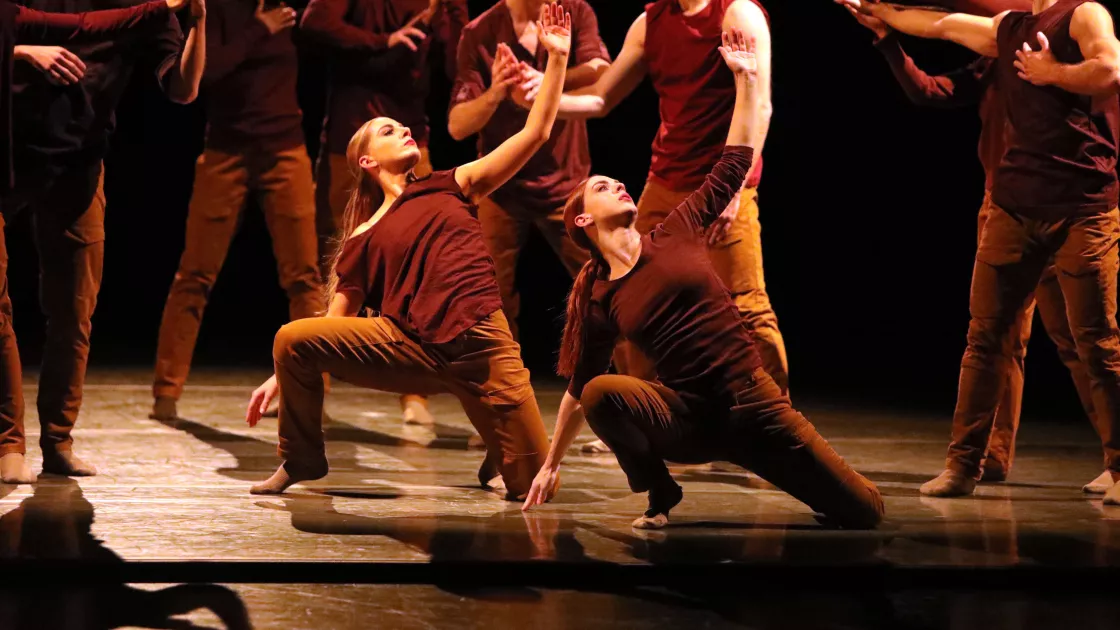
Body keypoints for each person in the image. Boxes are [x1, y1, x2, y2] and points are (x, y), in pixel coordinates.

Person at [521, 29, 885, 531]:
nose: (620, 185)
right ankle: (660, 490)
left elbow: (732, 163)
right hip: (688, 418)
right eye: (604, 187)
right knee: (602, 392)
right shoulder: (602, 294)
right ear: (583, 221)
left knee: (864, 512)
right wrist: (551, 463)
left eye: (617, 181)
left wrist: (745, 81)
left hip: (753, 403)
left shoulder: (675, 231)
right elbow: (579, 387)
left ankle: (782, 466)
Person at [244, 2, 572, 499]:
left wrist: (558, 60)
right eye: (387, 130)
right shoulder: (362, 235)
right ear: (367, 161)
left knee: (529, 486)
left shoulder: (454, 182)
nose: (402, 128)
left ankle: (498, 450)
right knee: (293, 337)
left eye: (403, 126)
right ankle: (301, 460)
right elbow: (335, 326)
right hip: (409, 347)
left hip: (483, 344)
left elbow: (537, 132)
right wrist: (282, 374)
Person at [845, 0, 1120, 497]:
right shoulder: (1008, 29)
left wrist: (1053, 71)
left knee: (1096, 344)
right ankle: (963, 466)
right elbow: (941, 25)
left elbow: (1111, 71)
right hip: (1012, 208)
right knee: (986, 341)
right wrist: (880, 15)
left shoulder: (1084, 14)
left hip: (1081, 211)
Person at [538, 0, 786, 403]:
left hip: (723, 181)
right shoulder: (649, 22)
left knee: (746, 308)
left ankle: (776, 419)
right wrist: (536, 97)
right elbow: (601, 98)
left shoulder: (737, 12)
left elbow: (761, 104)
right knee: (631, 291)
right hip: (667, 179)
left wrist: (736, 189)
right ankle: (643, 409)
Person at [0, 0, 206, 485]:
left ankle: (58, 441)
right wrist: (21, 51)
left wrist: (197, 18)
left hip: (79, 160)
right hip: (6, 154)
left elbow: (182, 89)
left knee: (75, 309)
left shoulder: (142, 7)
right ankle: (9, 443)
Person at [149, 0, 323, 423]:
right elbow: (203, 75)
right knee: (194, 274)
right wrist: (259, 29)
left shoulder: (289, 7)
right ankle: (166, 392)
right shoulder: (216, 8)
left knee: (304, 276)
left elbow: (328, 32)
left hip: (285, 149)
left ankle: (310, 389)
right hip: (225, 152)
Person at [301, 0, 468, 427]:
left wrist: (451, 14)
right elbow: (315, 23)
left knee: (417, 270)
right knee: (338, 266)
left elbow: (455, 68)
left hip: (413, 141)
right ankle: (308, 382)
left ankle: (414, 391)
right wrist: (384, 40)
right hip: (351, 141)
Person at [447, 0, 609, 343]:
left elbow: (601, 71)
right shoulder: (479, 32)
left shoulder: (574, 11)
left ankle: (630, 386)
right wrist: (496, 92)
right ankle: (502, 390)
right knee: (489, 301)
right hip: (501, 190)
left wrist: (550, 75)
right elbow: (457, 126)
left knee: (608, 286)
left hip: (566, 184)